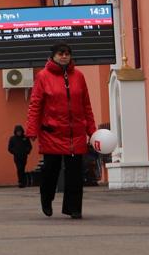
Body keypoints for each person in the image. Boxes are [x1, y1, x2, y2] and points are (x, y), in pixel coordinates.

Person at [25, 43, 97, 219]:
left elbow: (86, 104)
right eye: (60, 53)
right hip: (52, 132)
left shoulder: (78, 76)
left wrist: (92, 130)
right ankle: (46, 199)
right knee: (51, 170)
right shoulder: (43, 76)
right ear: (53, 56)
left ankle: (73, 208)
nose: (64, 56)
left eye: (67, 53)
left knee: (75, 173)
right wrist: (31, 130)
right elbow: (35, 104)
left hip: (76, 133)